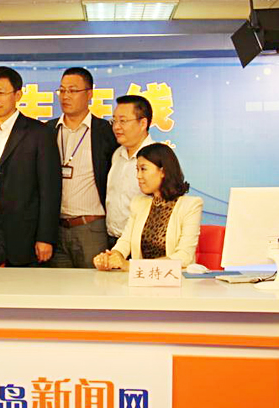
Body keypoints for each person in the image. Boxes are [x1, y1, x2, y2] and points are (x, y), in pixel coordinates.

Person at [0, 66, 62, 266]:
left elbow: (50, 189)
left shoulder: (39, 133)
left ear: (18, 95)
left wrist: (45, 237)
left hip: (27, 235)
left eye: (1, 93)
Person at [46, 67, 117, 268]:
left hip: (91, 228)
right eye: (62, 90)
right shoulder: (47, 130)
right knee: (58, 286)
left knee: (95, 284)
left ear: (89, 93)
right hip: (56, 229)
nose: (65, 96)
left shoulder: (105, 132)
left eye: (73, 90)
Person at [94, 143, 203, 271]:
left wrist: (132, 266)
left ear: (163, 171)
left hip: (175, 279)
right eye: (137, 170)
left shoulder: (190, 205)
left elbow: (184, 256)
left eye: (143, 169)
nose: (138, 176)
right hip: (141, 278)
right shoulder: (139, 203)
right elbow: (125, 241)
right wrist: (111, 257)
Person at [106, 95, 154, 248]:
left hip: (143, 242)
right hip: (113, 240)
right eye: (114, 120)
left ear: (143, 123)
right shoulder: (117, 155)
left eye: (123, 121)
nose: (116, 127)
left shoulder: (157, 157)